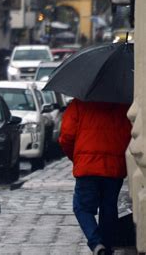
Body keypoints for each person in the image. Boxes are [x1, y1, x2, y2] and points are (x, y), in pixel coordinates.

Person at [58, 99, 131, 255]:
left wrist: (77, 158)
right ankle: (107, 246)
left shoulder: (79, 104)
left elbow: (66, 136)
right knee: (109, 207)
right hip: (114, 167)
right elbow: (129, 135)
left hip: (87, 167)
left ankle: (97, 243)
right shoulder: (122, 105)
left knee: (82, 207)